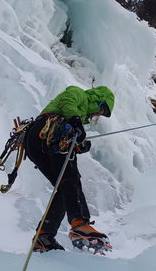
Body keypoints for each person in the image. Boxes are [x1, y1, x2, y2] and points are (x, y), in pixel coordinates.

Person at [24, 85, 114, 252]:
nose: (98, 114)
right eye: (101, 109)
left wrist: (79, 144)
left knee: (63, 188)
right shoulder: (79, 93)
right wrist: (75, 120)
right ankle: (80, 223)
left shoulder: (75, 117)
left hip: (35, 142)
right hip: (48, 129)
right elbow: (68, 100)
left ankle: (44, 236)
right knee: (71, 178)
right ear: (98, 99)